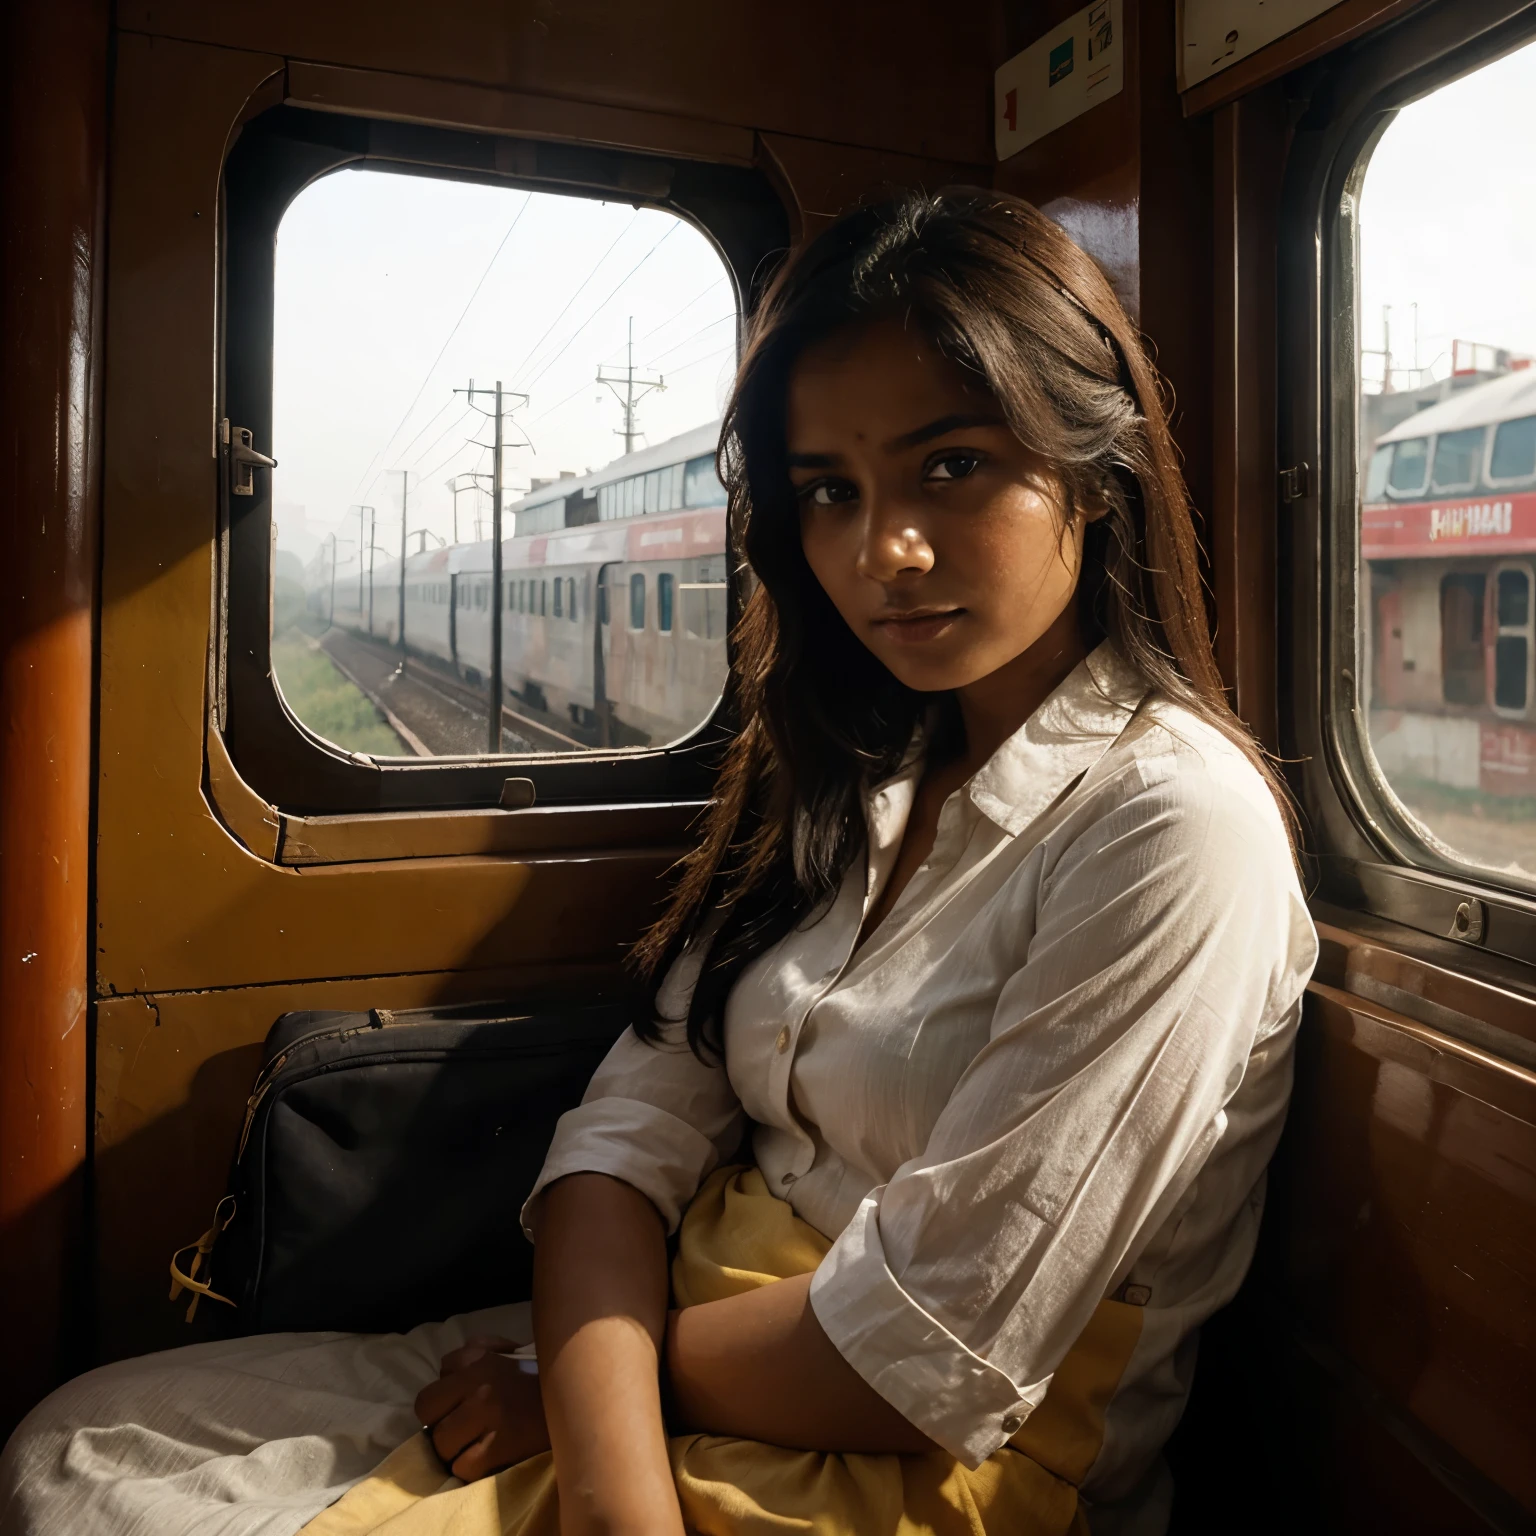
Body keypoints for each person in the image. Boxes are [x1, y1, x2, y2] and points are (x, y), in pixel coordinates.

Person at [0, 189, 1315, 1536]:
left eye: (953, 466)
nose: (884, 551)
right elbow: (629, 1128)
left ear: (1093, 474)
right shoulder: (854, 768)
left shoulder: (1169, 829)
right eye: (829, 493)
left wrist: (576, 1395)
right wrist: (612, 1452)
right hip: (681, 1345)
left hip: (911, 1470)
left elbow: (918, 1359)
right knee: (75, 1448)